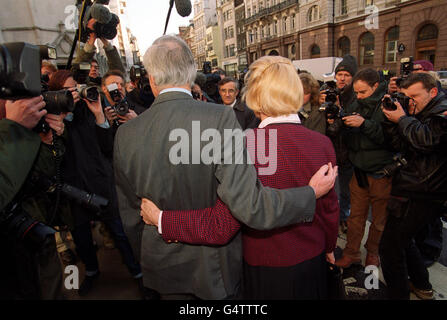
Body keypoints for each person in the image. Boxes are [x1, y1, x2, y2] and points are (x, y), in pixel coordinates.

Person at [113, 35, 337, 300]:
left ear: (151, 78)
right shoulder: (221, 119)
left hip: (165, 268)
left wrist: (158, 230)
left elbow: (130, 216)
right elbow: (246, 208)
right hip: (219, 271)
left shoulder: (125, 134)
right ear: (190, 73)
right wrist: (310, 195)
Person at [48, 70, 143, 297]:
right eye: (68, 90)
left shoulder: (90, 109)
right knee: (81, 237)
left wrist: (99, 115)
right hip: (72, 189)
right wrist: (59, 124)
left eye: (75, 88)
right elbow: (53, 156)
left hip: (101, 184)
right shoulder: (51, 118)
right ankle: (91, 272)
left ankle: (138, 274)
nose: (74, 93)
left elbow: (108, 148)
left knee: (119, 232)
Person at [380, 72, 447, 300]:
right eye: (406, 97)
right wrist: (391, 120)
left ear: (433, 92)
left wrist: (402, 119)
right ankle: (422, 286)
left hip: (422, 193)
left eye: (415, 96)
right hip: (413, 187)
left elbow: (426, 141)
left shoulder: (442, 113)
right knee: (404, 242)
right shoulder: (418, 111)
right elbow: (401, 144)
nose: (410, 102)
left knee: (389, 248)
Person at [1, 97, 67, 299]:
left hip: (34, 224)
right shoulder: (11, 126)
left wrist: (48, 142)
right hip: (9, 251)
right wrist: (13, 129)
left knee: (51, 282)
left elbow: (46, 171)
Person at [334, 68, 394, 268]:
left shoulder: (388, 104)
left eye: (363, 92)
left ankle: (373, 252)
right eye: (357, 92)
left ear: (375, 86)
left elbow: (391, 139)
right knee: (355, 218)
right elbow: (349, 137)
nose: (358, 96)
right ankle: (352, 253)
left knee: (378, 221)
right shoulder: (355, 103)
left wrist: (364, 124)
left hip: (381, 173)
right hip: (358, 171)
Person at [326, 54, 358, 233]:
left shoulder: (355, 97)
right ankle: (333, 218)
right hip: (330, 151)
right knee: (330, 190)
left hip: (347, 152)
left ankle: (343, 218)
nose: (342, 78)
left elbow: (347, 124)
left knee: (345, 191)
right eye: (339, 74)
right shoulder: (329, 92)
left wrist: (339, 110)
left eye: (346, 75)